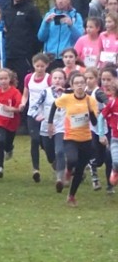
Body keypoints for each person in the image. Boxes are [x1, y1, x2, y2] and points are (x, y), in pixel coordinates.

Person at [48, 72, 98, 206]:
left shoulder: (91, 100)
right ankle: (68, 170)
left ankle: (71, 196)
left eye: (82, 83)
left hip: (86, 139)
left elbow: (94, 123)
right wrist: (50, 123)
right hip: (70, 137)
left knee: (80, 169)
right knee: (72, 159)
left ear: (85, 84)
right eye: (77, 83)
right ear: (72, 85)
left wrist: (90, 110)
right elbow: (54, 105)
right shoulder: (67, 98)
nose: (80, 85)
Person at [3, 0, 42, 93]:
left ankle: (24, 108)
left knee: (23, 84)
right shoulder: (6, 9)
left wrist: (32, 51)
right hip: (10, 54)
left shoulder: (31, 9)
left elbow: (39, 32)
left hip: (25, 56)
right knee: (9, 84)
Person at [31, 69, 67, 192]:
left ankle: (59, 179)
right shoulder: (45, 93)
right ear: (51, 79)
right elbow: (34, 106)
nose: (58, 80)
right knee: (50, 155)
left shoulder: (68, 94)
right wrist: (37, 116)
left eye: (60, 78)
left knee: (60, 151)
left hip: (62, 127)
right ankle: (59, 168)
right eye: (55, 78)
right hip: (46, 127)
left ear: (65, 80)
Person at [20, 53, 51, 182]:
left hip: (45, 114)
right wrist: (22, 103)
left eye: (42, 66)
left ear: (47, 66)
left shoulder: (49, 79)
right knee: (34, 139)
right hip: (32, 114)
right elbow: (25, 94)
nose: (39, 69)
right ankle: (36, 169)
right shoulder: (28, 78)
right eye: (37, 66)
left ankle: (53, 160)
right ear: (33, 65)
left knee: (46, 142)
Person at [37, 0, 84, 69]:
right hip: (51, 57)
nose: (60, 1)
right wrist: (46, 23)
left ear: (68, 0)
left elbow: (79, 38)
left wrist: (71, 25)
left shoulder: (75, 16)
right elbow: (41, 37)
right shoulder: (49, 15)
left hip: (67, 57)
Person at [0, 69, 22, 178]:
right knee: (0, 141)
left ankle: (9, 149)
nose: (3, 81)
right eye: (1, 79)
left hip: (12, 123)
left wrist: (10, 109)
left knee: (7, 143)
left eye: (5, 78)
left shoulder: (15, 92)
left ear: (10, 79)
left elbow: (19, 108)